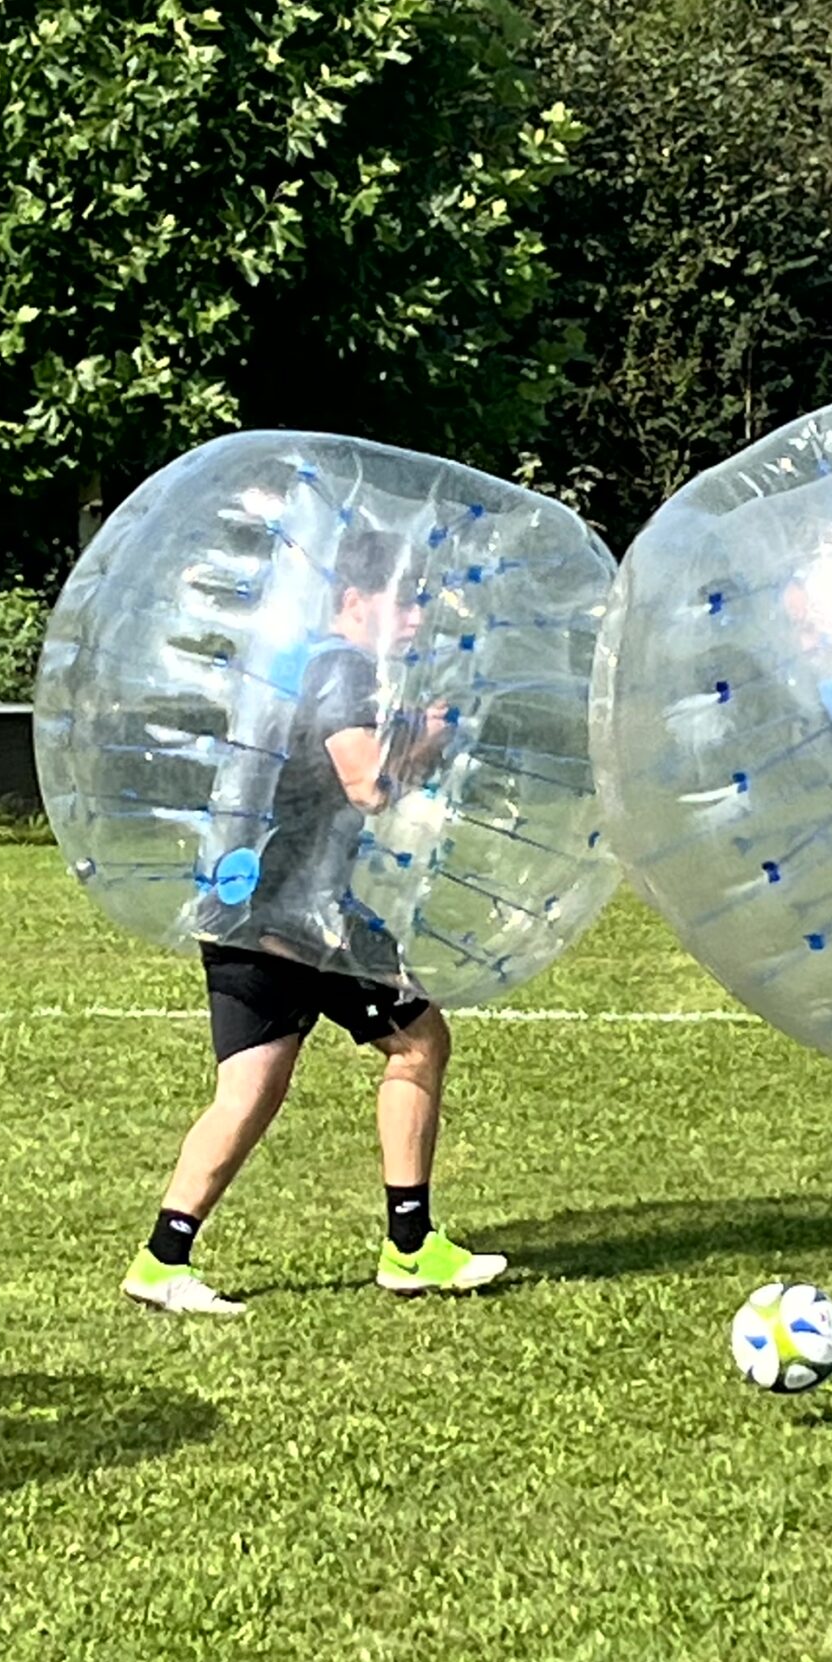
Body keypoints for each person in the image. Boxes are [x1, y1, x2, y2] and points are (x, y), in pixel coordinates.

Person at [122, 528, 506, 1316]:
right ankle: (409, 1247)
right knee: (418, 1041)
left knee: (248, 1090)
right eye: (403, 600)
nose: (414, 616)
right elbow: (364, 782)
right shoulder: (343, 667)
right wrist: (428, 739)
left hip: (245, 906)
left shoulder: (313, 667)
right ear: (354, 602)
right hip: (305, 915)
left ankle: (162, 1260)